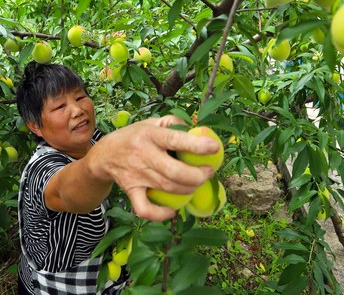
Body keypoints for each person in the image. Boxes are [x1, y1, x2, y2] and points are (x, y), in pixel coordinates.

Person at [15, 62, 220, 295]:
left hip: (105, 283)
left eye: (80, 97)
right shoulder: (42, 169)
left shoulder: (94, 139)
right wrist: (102, 161)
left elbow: (117, 154)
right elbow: (68, 190)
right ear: (35, 126)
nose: (77, 110)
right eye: (60, 106)